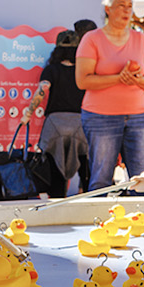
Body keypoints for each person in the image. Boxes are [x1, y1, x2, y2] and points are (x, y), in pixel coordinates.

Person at [77, 0, 144, 191]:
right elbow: (82, 81)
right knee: (101, 179)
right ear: (108, 9)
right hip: (100, 117)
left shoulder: (141, 39)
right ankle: (97, 221)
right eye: (121, 5)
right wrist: (118, 78)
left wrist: (136, 80)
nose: (127, 10)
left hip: (138, 117)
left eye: (130, 6)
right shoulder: (92, 39)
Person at [22, 21, 93, 197]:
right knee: (85, 162)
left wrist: (28, 113)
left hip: (55, 124)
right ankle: (87, 196)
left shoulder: (51, 69)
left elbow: (42, 90)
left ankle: (56, 199)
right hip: (80, 123)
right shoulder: (83, 71)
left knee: (54, 163)